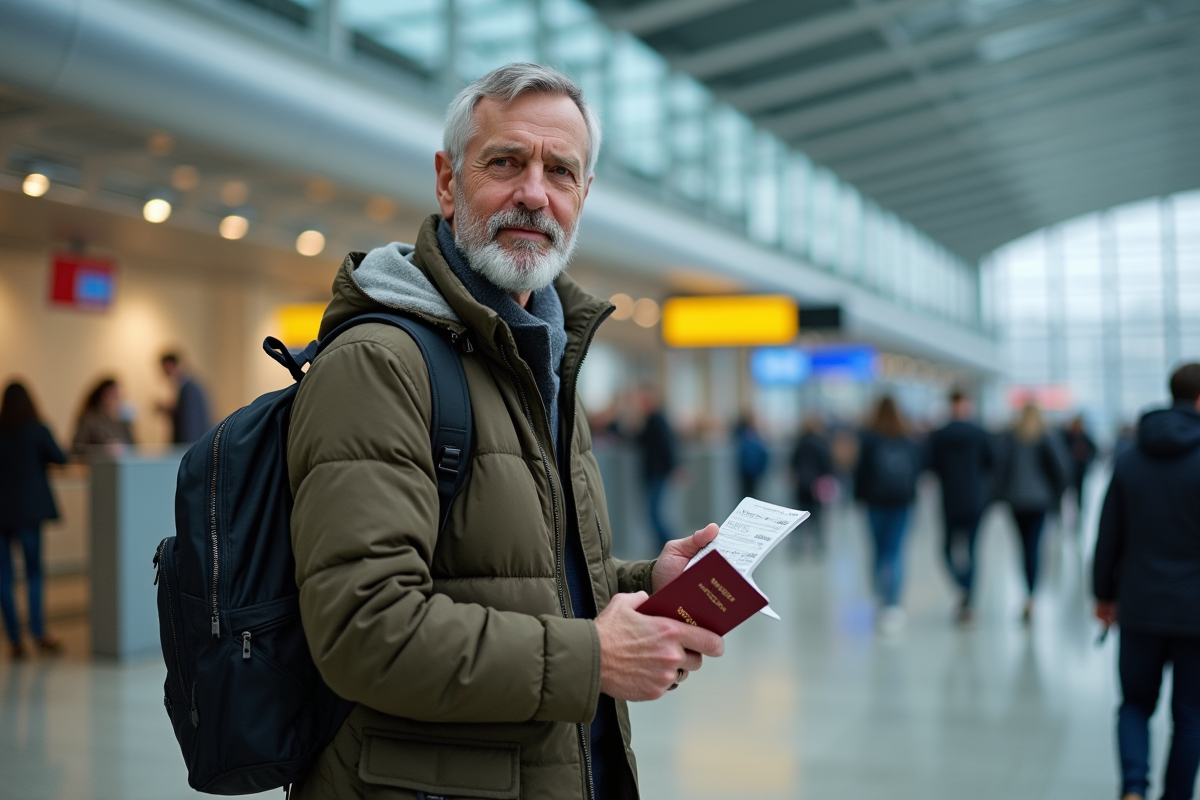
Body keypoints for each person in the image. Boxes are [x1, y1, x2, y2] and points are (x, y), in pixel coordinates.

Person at [286, 64, 724, 800]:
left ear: (583, 198)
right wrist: (595, 658)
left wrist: (647, 586)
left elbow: (522, 580)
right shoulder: (379, 363)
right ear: (448, 181)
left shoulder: (541, 358)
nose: (534, 192)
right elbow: (363, 629)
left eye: (561, 170)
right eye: (506, 161)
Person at [1094, 363, 1200, 800]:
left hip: (1138, 603)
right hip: (1196, 610)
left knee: (1135, 704)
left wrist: (1103, 594)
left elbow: (1108, 536)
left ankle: (1134, 788)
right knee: (1191, 715)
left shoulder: (1130, 458)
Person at [0, 381, 67, 659]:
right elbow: (60, 458)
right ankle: (38, 634)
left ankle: (15, 640)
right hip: (29, 513)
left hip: (1, 515)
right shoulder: (37, 429)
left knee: (4, 579)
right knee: (34, 574)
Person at [993, 403, 1070, 624]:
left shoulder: (1011, 438)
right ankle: (1031, 595)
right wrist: (1057, 496)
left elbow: (1001, 469)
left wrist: (998, 497)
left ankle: (1027, 592)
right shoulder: (1046, 437)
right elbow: (1060, 469)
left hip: (1016, 501)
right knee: (1034, 546)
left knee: (1022, 546)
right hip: (1039, 501)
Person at [854, 395, 923, 636]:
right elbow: (916, 469)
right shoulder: (907, 437)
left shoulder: (869, 437)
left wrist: (858, 498)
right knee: (895, 552)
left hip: (875, 502)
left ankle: (879, 597)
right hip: (901, 501)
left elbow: (861, 472)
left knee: (878, 551)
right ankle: (892, 605)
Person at [926, 389, 995, 625]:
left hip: (950, 499)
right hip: (975, 498)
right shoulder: (980, 433)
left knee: (947, 549)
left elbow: (930, 465)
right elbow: (991, 462)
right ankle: (969, 596)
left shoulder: (940, 434)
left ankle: (962, 587)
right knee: (972, 550)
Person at [636, 386, 679, 550]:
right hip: (655, 473)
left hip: (658, 473)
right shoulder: (651, 420)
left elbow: (667, 446)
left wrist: (673, 468)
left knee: (655, 513)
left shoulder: (657, 420)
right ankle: (666, 544)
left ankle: (669, 544)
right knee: (655, 512)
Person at [788, 415, 834, 557]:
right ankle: (818, 545)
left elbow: (793, 463)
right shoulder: (820, 443)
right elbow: (826, 463)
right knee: (817, 515)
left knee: (798, 516)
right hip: (816, 485)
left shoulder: (799, 443)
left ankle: (796, 546)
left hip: (802, 484)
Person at [158, 352, 211, 444]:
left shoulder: (189, 388)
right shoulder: (185, 386)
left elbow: (190, 423)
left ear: (170, 365)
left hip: (189, 444)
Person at [72, 377, 134, 456]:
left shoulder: (123, 420)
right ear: (103, 396)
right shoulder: (90, 419)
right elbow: (77, 447)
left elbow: (134, 447)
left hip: (122, 465)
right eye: (112, 394)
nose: (115, 398)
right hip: (97, 465)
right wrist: (104, 450)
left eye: (117, 395)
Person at [1062, 413, 1097, 519]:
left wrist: (1089, 461)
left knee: (1080, 489)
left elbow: (1094, 449)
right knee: (1069, 490)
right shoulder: (1068, 436)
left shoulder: (1084, 436)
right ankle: (1069, 511)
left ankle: (1080, 509)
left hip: (1081, 467)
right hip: (1069, 468)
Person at [733, 413, 769, 500]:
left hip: (754, 471)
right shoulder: (745, 436)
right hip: (746, 472)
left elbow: (764, 454)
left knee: (753, 495)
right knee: (746, 495)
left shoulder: (757, 436)